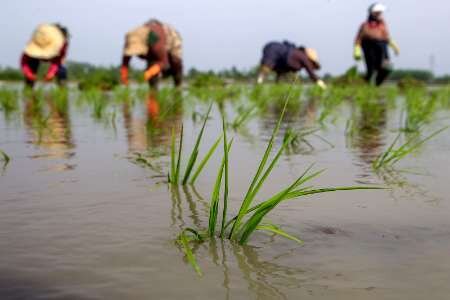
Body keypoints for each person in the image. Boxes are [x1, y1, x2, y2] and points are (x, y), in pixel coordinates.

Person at [121, 19, 183, 88]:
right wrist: (125, 81)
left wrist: (147, 74)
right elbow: (125, 64)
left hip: (169, 39)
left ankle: (178, 88)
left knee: (176, 63)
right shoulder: (130, 38)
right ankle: (153, 94)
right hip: (152, 50)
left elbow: (164, 62)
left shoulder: (153, 39)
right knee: (152, 68)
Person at [353, 3, 400, 86]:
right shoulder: (365, 25)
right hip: (369, 47)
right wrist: (357, 50)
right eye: (377, 13)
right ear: (371, 13)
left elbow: (387, 37)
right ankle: (365, 84)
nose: (379, 15)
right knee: (371, 69)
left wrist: (394, 46)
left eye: (380, 13)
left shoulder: (382, 25)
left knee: (386, 68)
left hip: (382, 47)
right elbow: (358, 39)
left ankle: (377, 84)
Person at [256, 40, 327, 89]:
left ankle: (276, 87)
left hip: (280, 59)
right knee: (265, 69)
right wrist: (323, 85)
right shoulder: (303, 57)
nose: (313, 67)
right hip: (272, 49)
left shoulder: (298, 54)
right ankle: (258, 84)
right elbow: (311, 74)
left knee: (279, 74)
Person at [21, 23, 69, 88]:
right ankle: (28, 89)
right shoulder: (35, 44)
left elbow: (57, 61)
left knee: (62, 71)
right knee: (30, 72)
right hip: (34, 58)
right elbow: (24, 62)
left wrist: (51, 73)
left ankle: (62, 89)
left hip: (56, 59)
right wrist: (29, 74)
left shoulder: (62, 45)